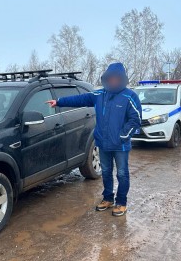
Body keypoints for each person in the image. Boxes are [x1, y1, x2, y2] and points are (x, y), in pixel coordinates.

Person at [46, 63, 142, 216]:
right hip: (103, 144)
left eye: (116, 79)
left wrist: (122, 136)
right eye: (110, 78)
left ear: (122, 79)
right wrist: (59, 102)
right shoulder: (99, 95)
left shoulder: (129, 96)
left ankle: (121, 202)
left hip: (120, 146)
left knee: (122, 174)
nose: (113, 81)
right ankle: (108, 198)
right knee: (106, 172)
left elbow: (135, 120)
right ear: (106, 79)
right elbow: (80, 99)